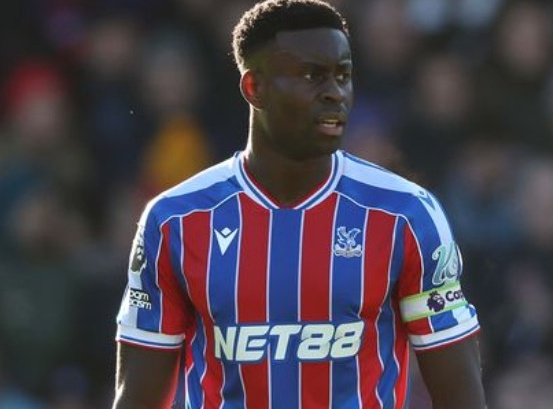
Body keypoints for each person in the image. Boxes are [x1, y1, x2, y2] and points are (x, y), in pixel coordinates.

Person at [111, 1, 486, 408]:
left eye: (343, 76)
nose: (335, 93)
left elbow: (462, 399)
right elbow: (137, 400)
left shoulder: (406, 215)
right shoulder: (176, 221)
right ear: (254, 88)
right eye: (312, 76)